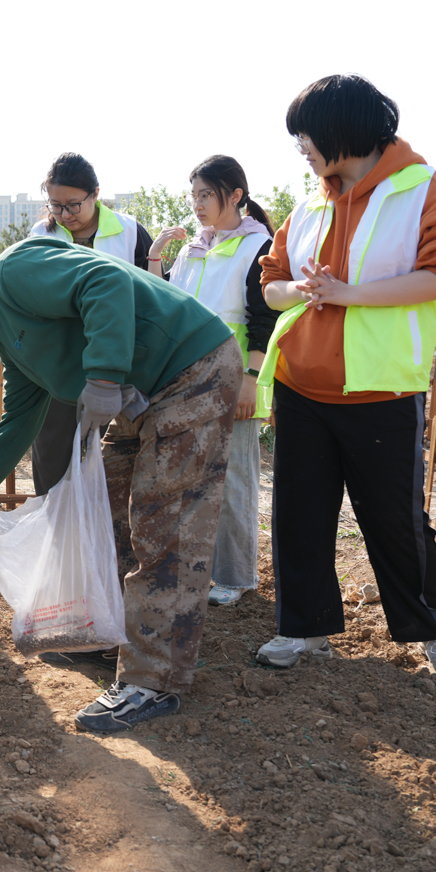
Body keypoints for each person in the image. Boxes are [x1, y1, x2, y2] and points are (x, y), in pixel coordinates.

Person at [0, 241, 240, 732]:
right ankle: (114, 633)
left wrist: (104, 379)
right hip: (143, 396)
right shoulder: (8, 335)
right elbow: (22, 413)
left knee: (165, 527)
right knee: (101, 510)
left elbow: (104, 282)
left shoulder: (13, 273)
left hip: (188, 371)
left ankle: (152, 681)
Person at [254, 74, 436, 678]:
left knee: (394, 519)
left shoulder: (420, 187)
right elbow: (270, 282)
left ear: (340, 130)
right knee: (299, 514)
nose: (300, 147)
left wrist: (352, 295)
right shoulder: (311, 200)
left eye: (305, 135)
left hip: (380, 385)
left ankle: (435, 631)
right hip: (301, 383)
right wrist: (293, 291)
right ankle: (303, 629)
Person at [154, 155, 278, 609]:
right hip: (189, 379)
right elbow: (168, 303)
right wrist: (154, 258)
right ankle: (199, 567)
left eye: (206, 194)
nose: (198, 204)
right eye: (194, 195)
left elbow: (264, 317)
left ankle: (236, 575)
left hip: (235, 377)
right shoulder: (194, 248)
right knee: (191, 478)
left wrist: (251, 380)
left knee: (235, 481)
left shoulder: (259, 246)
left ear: (236, 195)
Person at [27, 153, 157, 496]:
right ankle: (58, 536)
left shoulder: (129, 232)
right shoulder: (41, 234)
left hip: (120, 362)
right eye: (55, 206)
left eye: (73, 205)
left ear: (95, 194)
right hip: (60, 361)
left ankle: (107, 540)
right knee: (53, 452)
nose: (65, 215)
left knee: (116, 455)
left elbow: (151, 295)